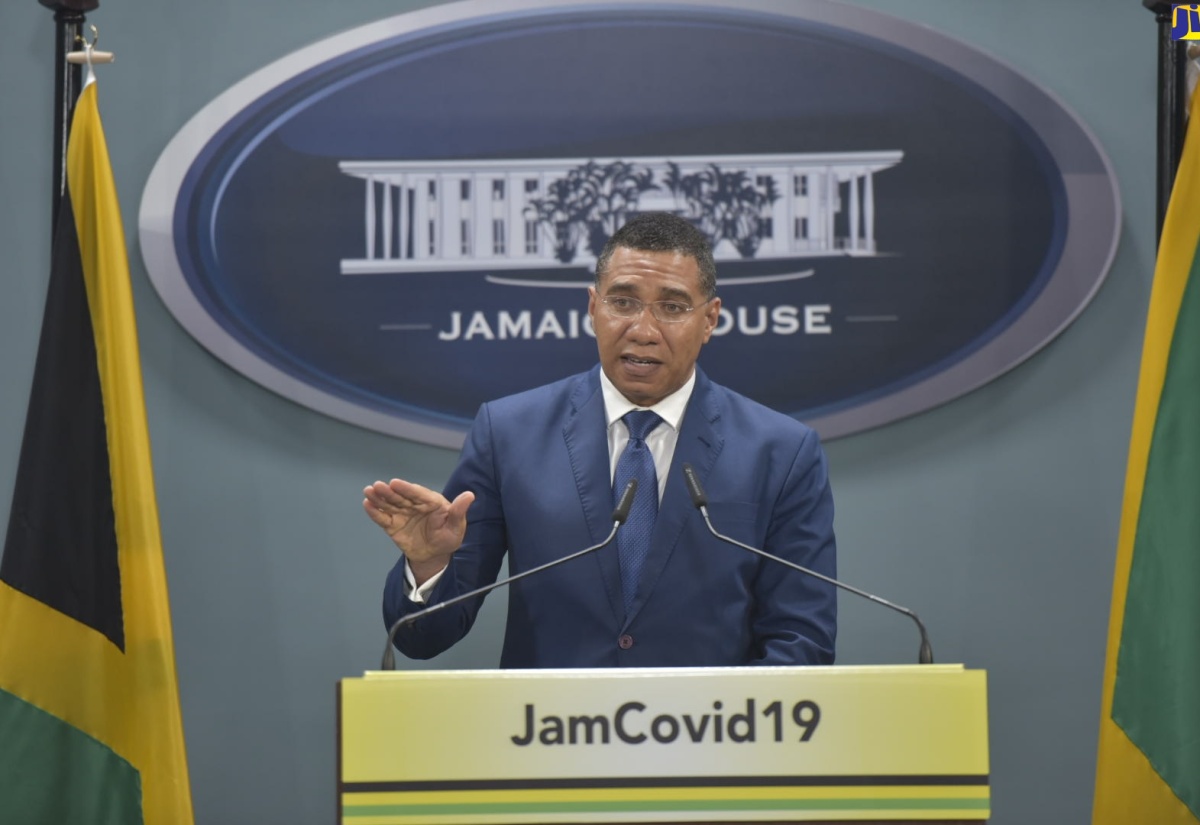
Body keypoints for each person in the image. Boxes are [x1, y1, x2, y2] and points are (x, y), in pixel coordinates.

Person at [364, 211, 836, 668]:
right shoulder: (508, 434)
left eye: (671, 307)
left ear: (710, 319)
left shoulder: (781, 452)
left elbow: (801, 642)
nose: (643, 331)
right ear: (593, 307)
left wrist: (719, 726)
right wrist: (429, 567)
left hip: (715, 737)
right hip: (550, 737)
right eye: (623, 302)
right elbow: (423, 638)